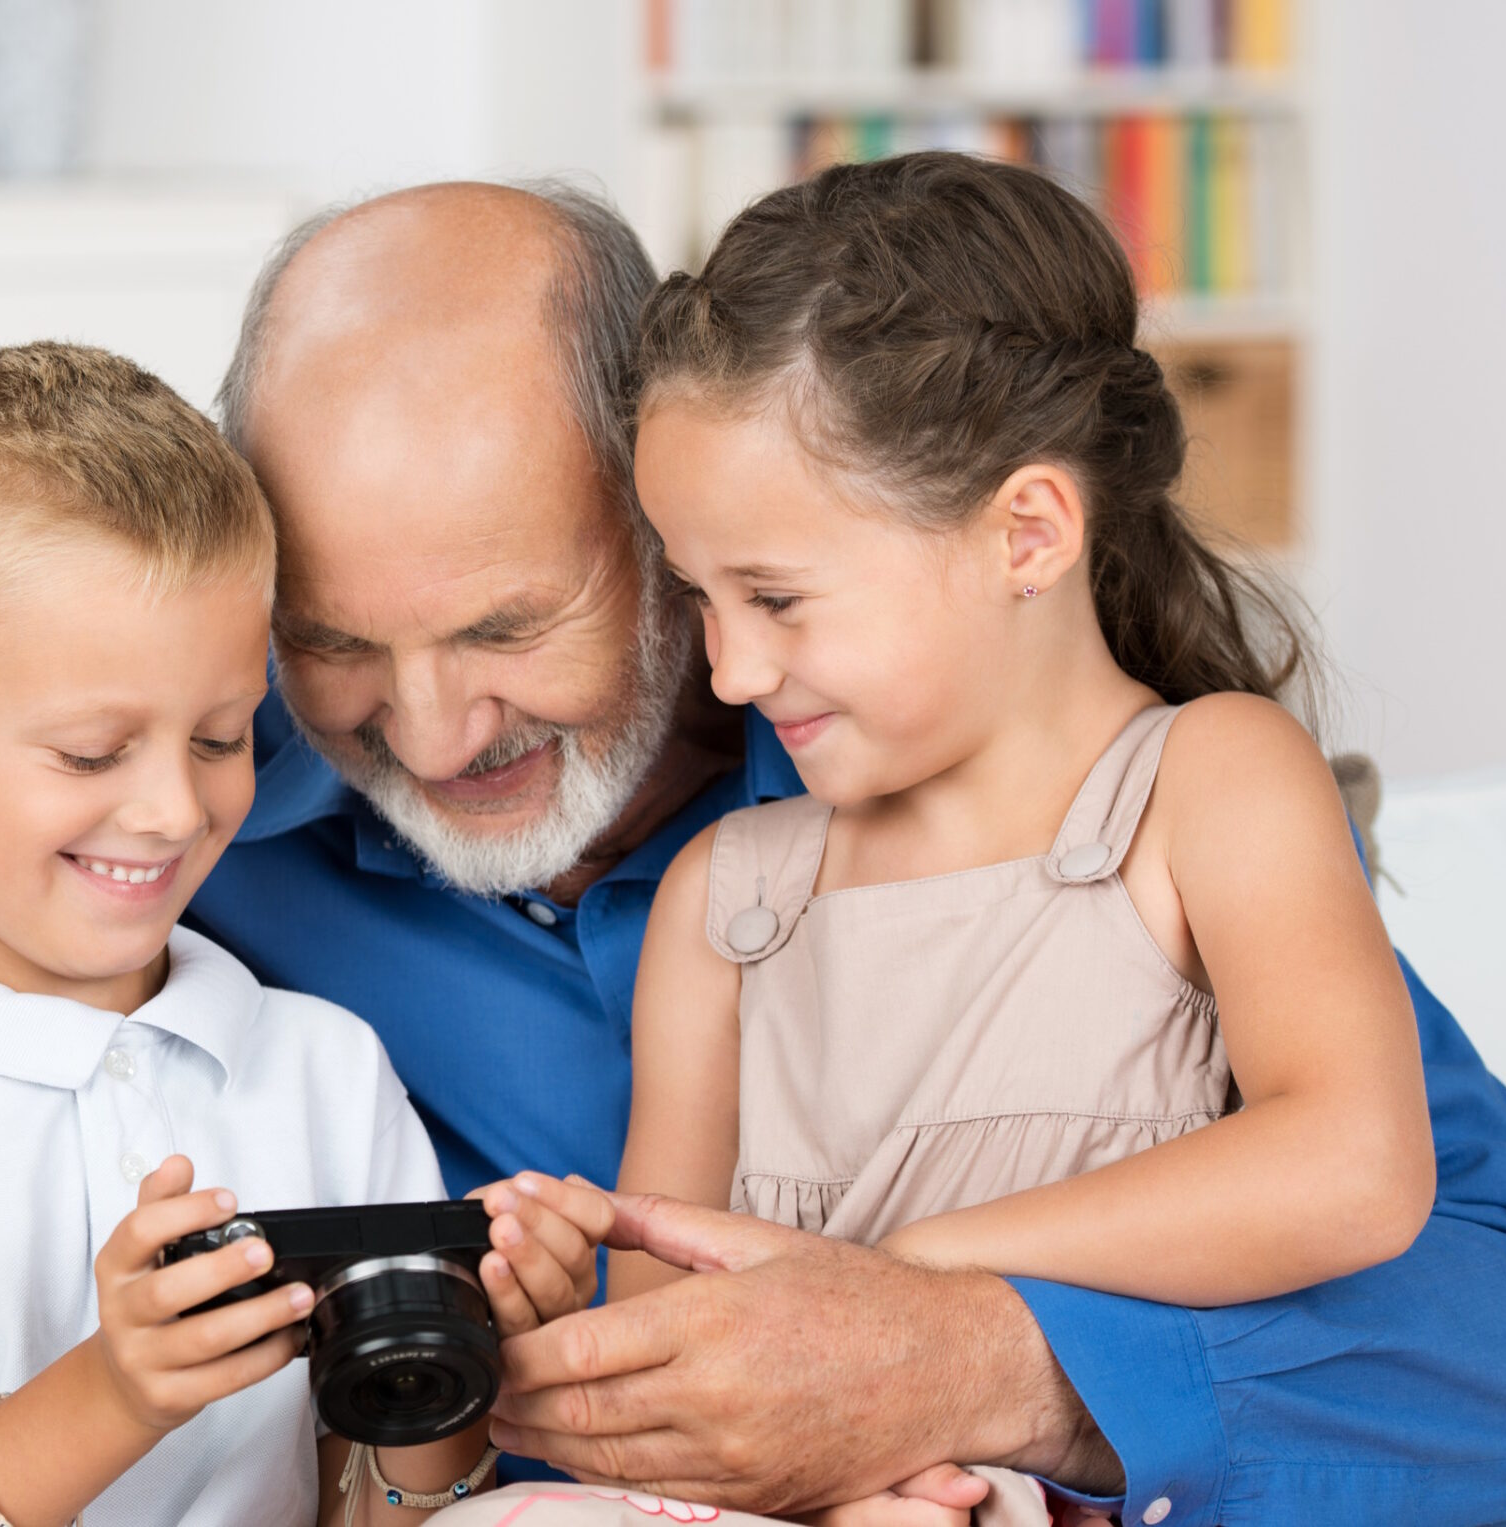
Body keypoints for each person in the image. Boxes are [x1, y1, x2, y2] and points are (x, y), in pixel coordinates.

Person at [0, 181, 1506, 1524]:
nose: (422, 729)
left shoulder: (990, 802)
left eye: (509, 624)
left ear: (681, 526)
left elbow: (1487, 1324)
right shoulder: (195, 855)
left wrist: (982, 1355)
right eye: (330, 654)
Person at [450, 153, 1445, 1527]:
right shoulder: (728, 897)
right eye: (700, 596)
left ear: (1027, 531)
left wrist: (912, 1278)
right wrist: (565, 1334)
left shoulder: (1211, 783)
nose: (730, 670)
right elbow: (668, 1359)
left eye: (779, 596)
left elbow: (1355, 1166)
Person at [0, 341, 599, 1527]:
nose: (175, 810)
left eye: (220, 738)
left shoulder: (320, 1066)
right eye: (91, 752)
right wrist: (114, 1395)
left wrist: (456, 1362)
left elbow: (386, 1512)